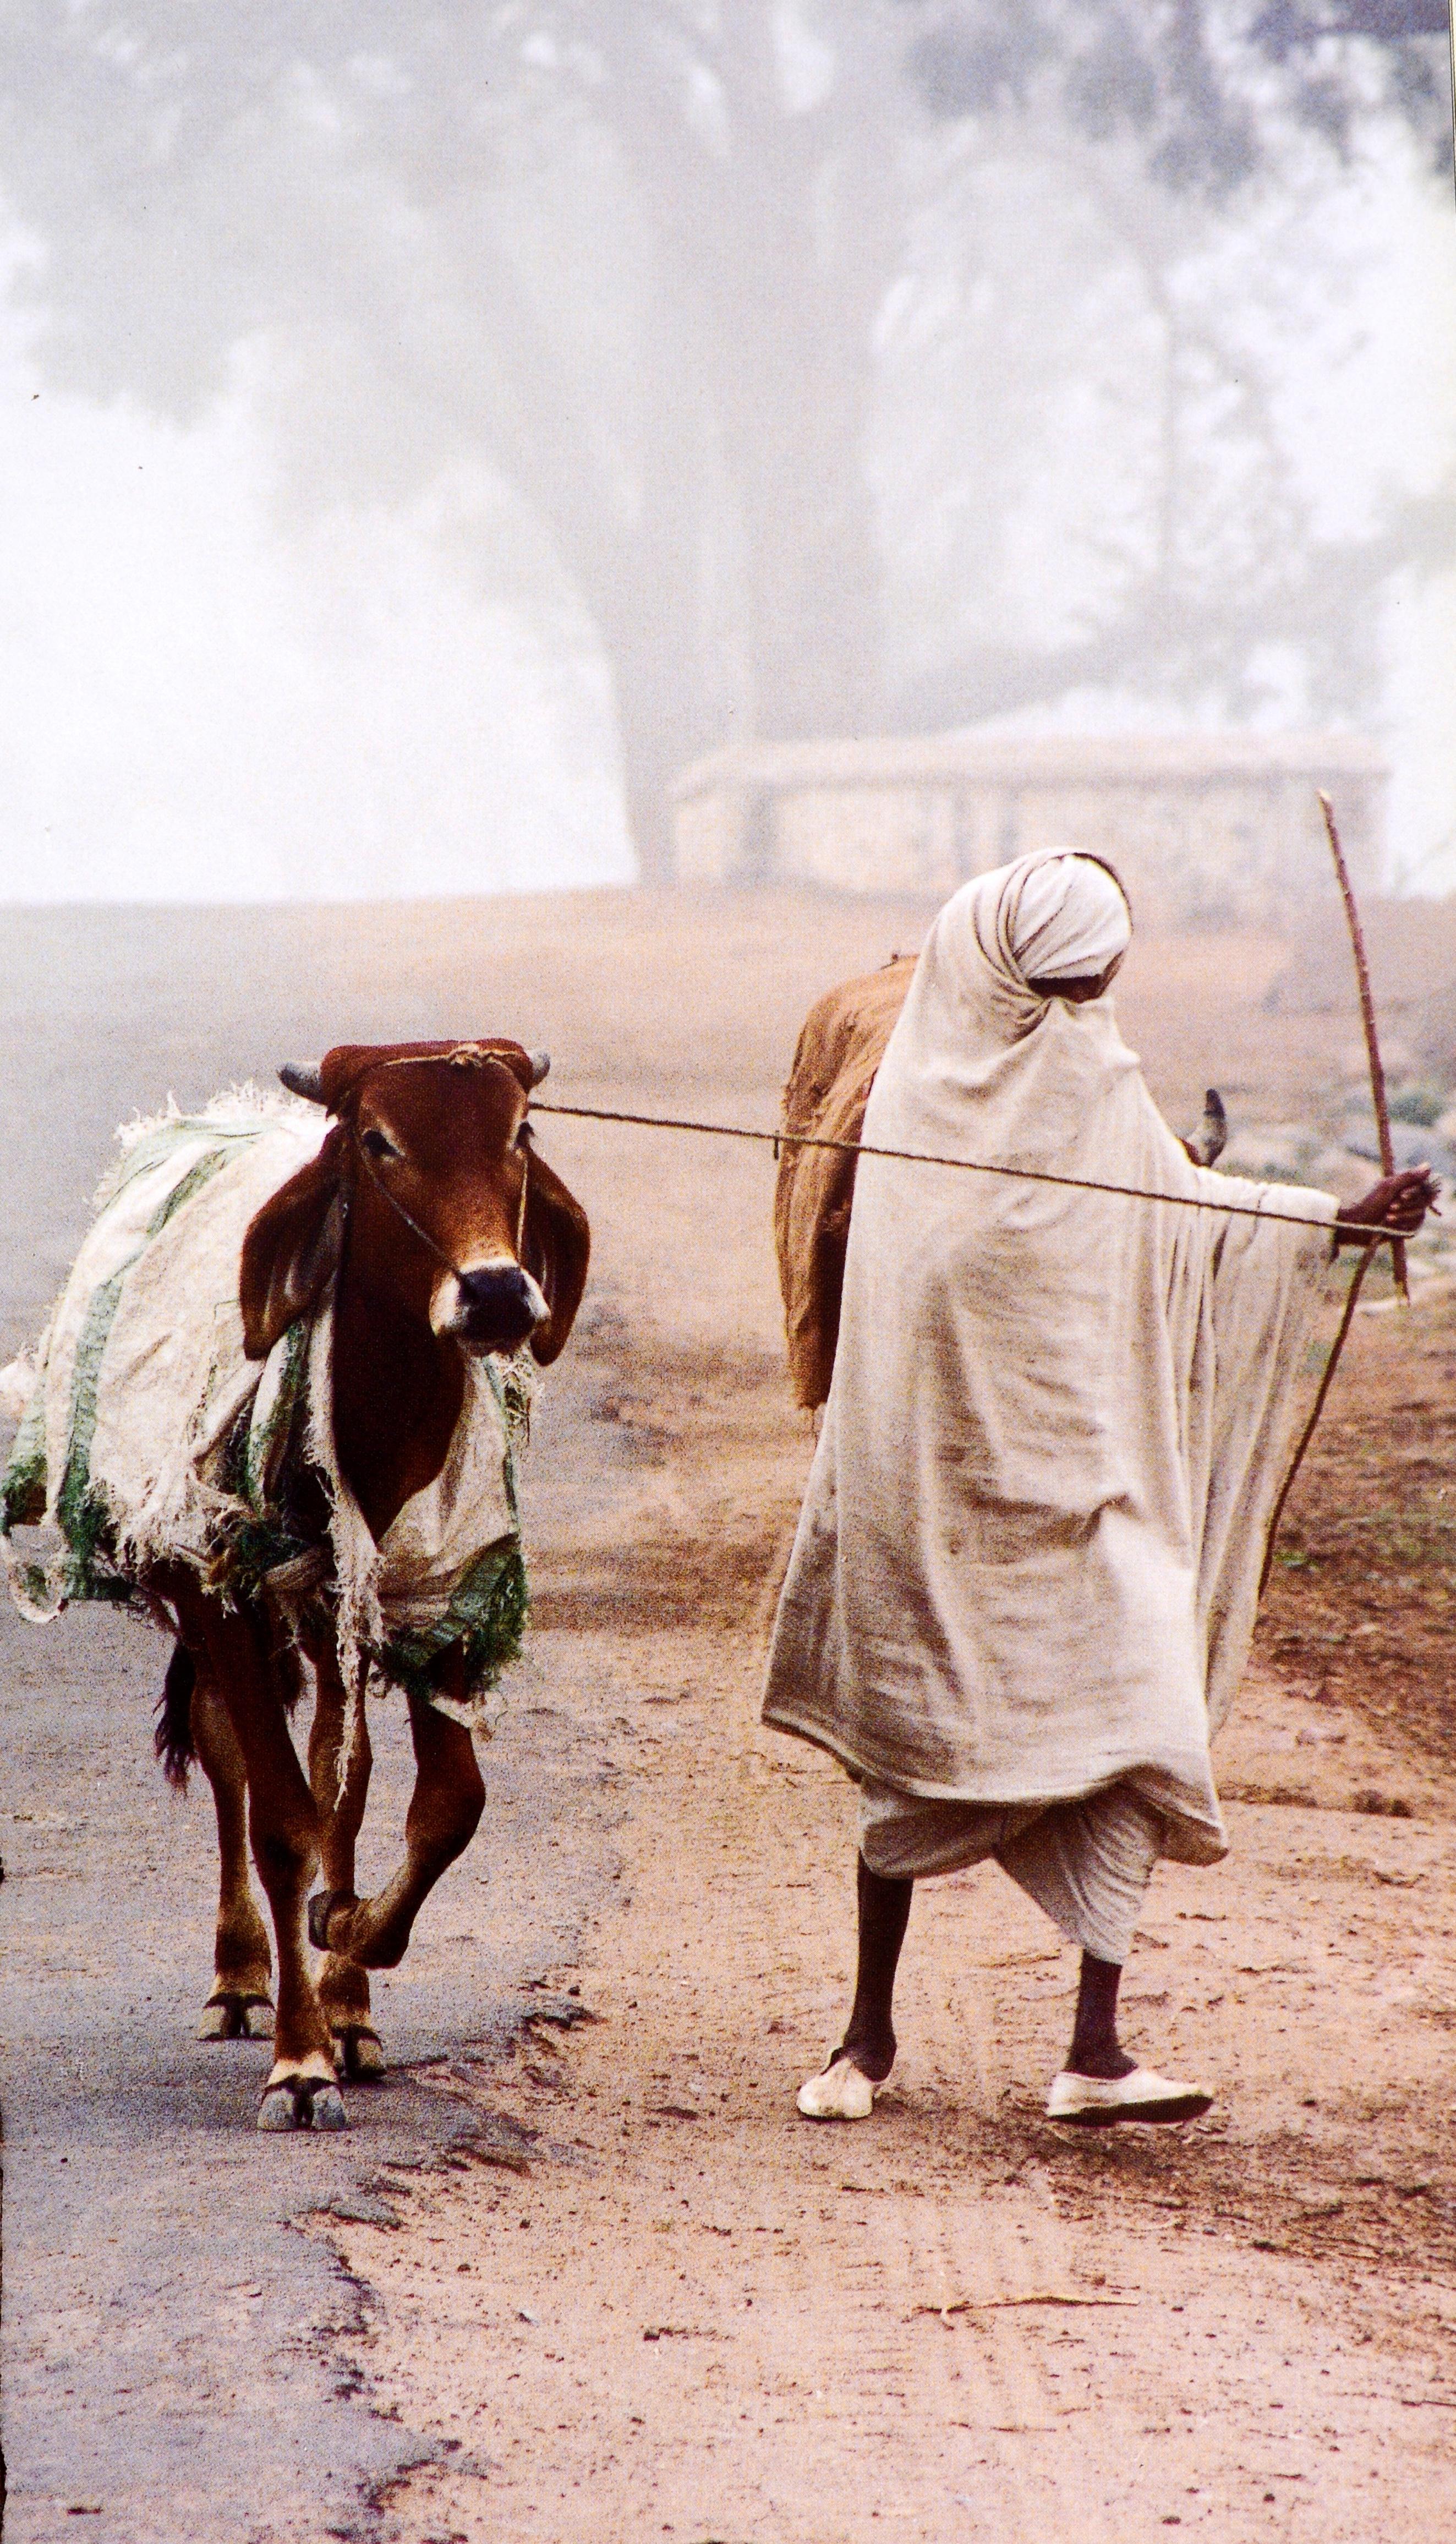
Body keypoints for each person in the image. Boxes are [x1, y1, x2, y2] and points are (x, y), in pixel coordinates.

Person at [762, 849, 1435, 2126]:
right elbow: (906, 1294)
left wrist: (1338, 1221)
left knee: (1143, 1700)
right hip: (933, 1485)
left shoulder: (1101, 1082)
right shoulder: (908, 1100)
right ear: (997, 977)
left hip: (1090, 1479)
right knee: (912, 1752)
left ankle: (1096, 2047)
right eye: (1057, 991)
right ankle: (866, 2034)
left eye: (1095, 990)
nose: (1077, 1018)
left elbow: (1182, 1203)